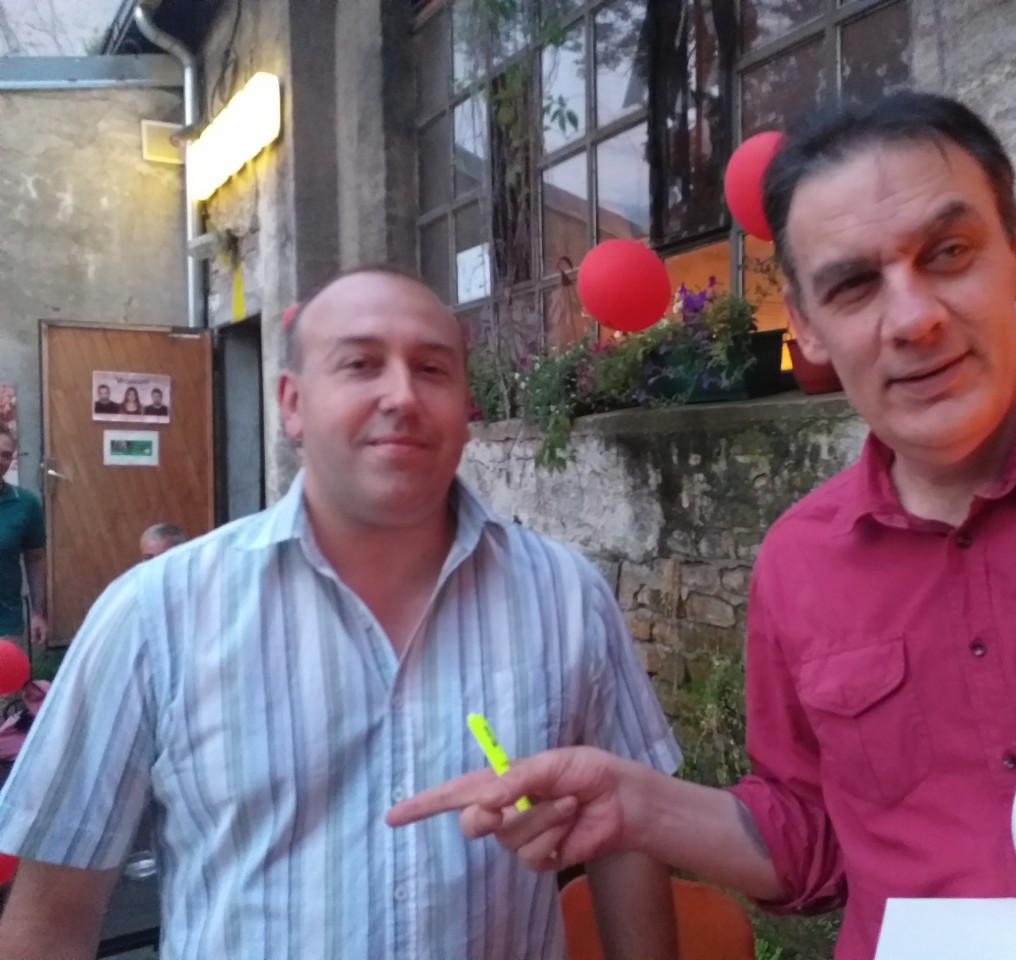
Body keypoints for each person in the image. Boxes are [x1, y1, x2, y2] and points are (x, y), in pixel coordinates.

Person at [388, 92, 1016, 960]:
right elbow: (808, 837)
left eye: (949, 253)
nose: (913, 317)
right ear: (807, 329)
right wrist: (633, 805)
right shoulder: (799, 563)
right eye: (854, 286)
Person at [0, 266, 680, 959]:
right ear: (292, 404)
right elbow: (52, 914)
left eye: (432, 369)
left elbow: (629, 842)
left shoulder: (566, 597)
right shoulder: (156, 615)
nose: (402, 395)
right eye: (360, 364)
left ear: (464, 402)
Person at [0, 427, 46, 648]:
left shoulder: (26, 504)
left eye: (6, 455)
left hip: (5, 622)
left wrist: (38, 612)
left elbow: (36, 559)